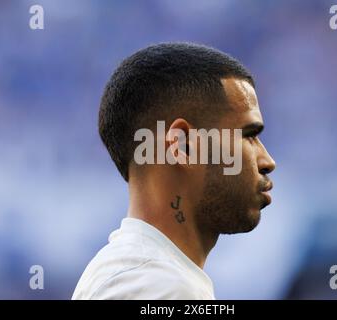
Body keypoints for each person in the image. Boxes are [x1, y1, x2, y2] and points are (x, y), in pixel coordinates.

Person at [72, 42, 276, 300]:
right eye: (248, 135)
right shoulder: (157, 286)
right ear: (184, 146)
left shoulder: (142, 275)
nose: (267, 160)